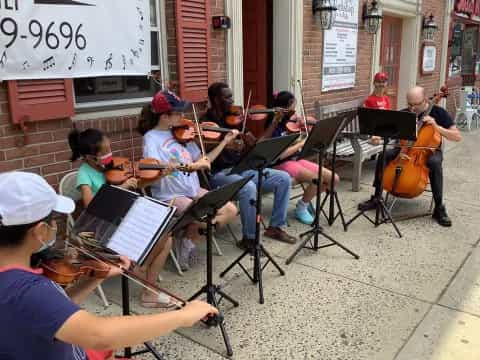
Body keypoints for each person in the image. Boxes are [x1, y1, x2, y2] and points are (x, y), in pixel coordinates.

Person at [0, 171, 217, 360]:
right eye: (53, 220)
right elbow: (99, 335)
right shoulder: (27, 289)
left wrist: (95, 277)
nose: (55, 225)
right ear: (39, 231)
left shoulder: (20, 285)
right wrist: (183, 316)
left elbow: (49, 312)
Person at [68, 128, 173, 308]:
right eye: (104, 152)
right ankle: (142, 272)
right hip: (103, 228)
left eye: (110, 149)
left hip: (123, 220)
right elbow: (90, 206)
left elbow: (137, 183)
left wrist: (159, 175)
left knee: (166, 237)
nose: (109, 155)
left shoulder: (111, 166)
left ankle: (147, 285)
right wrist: (122, 188)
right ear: (90, 157)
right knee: (158, 240)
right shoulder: (84, 173)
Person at [138, 90, 238, 270]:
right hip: (169, 195)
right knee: (202, 215)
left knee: (230, 210)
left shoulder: (183, 134)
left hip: (192, 190)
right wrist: (191, 166)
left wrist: (224, 142)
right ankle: (188, 237)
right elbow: (155, 169)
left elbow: (204, 160)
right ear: (165, 116)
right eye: (178, 113)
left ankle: (188, 236)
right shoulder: (150, 138)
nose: (183, 116)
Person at [202, 82, 297, 249]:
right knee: (249, 188)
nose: (232, 100)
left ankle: (275, 227)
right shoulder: (206, 123)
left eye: (232, 96)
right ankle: (250, 239)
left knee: (283, 178)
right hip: (219, 174)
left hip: (241, 169)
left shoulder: (235, 120)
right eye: (227, 97)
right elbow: (204, 150)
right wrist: (227, 143)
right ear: (216, 100)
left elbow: (258, 143)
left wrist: (274, 122)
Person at [358, 86, 462, 227]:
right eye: (409, 104)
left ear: (425, 99)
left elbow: (456, 137)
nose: (411, 108)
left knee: (434, 163)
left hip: (428, 150)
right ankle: (377, 197)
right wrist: (378, 136)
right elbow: (388, 131)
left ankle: (439, 208)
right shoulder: (405, 113)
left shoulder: (439, 112)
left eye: (415, 104)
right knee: (384, 155)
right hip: (405, 148)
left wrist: (436, 126)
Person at [261, 90, 340, 225]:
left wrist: (304, 136)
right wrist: (302, 143)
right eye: (292, 107)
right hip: (282, 163)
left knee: (334, 179)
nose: (295, 112)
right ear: (284, 108)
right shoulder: (274, 127)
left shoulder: (292, 123)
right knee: (318, 180)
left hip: (297, 159)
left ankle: (305, 200)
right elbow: (280, 155)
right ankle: (302, 207)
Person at [364, 72, 391, 146]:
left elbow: (389, 116)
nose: (381, 84)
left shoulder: (386, 99)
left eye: (383, 82)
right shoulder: (369, 100)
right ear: (374, 83)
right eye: (379, 82)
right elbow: (369, 120)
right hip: (374, 131)